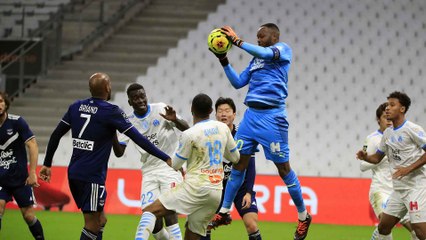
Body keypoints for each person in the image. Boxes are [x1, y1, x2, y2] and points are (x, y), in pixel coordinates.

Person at [39, 73, 172, 240]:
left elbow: (56, 134)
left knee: (101, 220)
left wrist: (47, 164)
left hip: (74, 172)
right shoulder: (111, 111)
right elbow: (137, 137)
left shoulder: (75, 107)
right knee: (92, 225)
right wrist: (165, 157)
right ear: (108, 88)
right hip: (92, 176)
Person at [209, 23, 311, 240]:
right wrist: (223, 59)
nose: (258, 39)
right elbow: (237, 83)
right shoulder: (255, 60)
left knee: (283, 169)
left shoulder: (283, 49)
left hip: (272, 118)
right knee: (239, 165)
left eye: (261, 36)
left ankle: (303, 216)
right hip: (250, 117)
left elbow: (265, 52)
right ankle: (225, 212)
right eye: (256, 37)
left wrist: (237, 42)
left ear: (274, 36)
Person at [134, 93, 240, 240]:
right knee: (191, 235)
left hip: (195, 189)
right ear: (211, 111)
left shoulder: (189, 134)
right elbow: (235, 158)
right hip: (215, 192)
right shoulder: (223, 128)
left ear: (191, 110)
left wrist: (165, 157)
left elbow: (176, 165)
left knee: (150, 211)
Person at [114, 83, 189, 240]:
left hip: (170, 166)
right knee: (152, 218)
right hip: (149, 171)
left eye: (142, 96)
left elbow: (187, 129)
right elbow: (119, 152)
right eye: (135, 98)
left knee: (169, 210)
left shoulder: (160, 109)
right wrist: (112, 133)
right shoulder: (128, 122)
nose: (140, 100)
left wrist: (175, 120)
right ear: (129, 102)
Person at [356, 91, 426, 240]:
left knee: (420, 232)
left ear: (402, 109)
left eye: (392, 105)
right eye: (387, 104)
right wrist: (365, 157)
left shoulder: (412, 129)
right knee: (383, 227)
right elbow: (377, 158)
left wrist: (408, 169)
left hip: (416, 187)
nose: (387, 108)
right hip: (398, 190)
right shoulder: (387, 133)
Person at [201, 97, 261, 240]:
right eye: (220, 111)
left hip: (240, 187)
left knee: (252, 224)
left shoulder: (243, 134)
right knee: (204, 224)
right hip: (216, 186)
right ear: (215, 115)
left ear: (234, 114)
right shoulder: (210, 134)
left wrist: (248, 192)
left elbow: (251, 164)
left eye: (227, 111)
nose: (223, 114)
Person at [0, 91, 44, 239]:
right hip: (1, 180)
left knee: (28, 216)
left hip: (20, 179)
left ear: (6, 104)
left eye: (0, 101)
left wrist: (32, 172)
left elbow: (32, 145)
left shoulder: (17, 122)